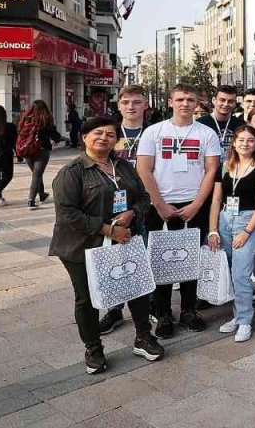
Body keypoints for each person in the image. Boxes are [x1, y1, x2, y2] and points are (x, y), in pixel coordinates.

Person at [49, 116, 164, 374]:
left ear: (116, 140)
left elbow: (143, 197)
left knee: (136, 287)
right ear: (85, 137)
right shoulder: (72, 172)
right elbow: (67, 214)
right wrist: (109, 229)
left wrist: (132, 213)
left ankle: (143, 337)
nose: (104, 138)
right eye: (98, 133)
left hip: (123, 241)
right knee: (87, 298)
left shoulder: (123, 166)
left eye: (110, 134)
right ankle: (93, 348)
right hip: (82, 246)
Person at [136, 84, 221, 338]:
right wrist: (159, 204)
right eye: (180, 99)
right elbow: (144, 169)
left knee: (191, 259)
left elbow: (211, 170)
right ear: (170, 102)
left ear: (197, 104)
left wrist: (197, 204)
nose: (185, 104)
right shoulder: (154, 132)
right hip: (160, 205)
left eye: (190, 100)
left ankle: (188, 310)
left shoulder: (207, 134)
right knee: (161, 260)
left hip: (193, 204)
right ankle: (163, 313)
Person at [207, 126, 255, 342]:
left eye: (250, 140)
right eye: (241, 140)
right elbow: (216, 200)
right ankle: (237, 315)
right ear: (234, 142)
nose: (245, 144)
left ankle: (244, 320)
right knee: (230, 271)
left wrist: (246, 231)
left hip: (248, 221)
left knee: (241, 274)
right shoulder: (225, 166)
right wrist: (213, 229)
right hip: (225, 219)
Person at [99, 85, 151, 335]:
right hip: (113, 205)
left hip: (143, 202)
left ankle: (147, 305)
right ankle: (115, 309)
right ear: (119, 105)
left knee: (144, 256)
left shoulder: (153, 132)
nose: (131, 107)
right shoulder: (108, 133)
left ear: (145, 105)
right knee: (114, 259)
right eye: (126, 102)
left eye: (137, 102)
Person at [16, 100, 64, 210]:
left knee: (36, 173)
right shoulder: (45, 119)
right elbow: (54, 135)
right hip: (41, 150)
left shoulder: (25, 119)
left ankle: (42, 194)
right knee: (37, 174)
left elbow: (20, 133)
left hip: (27, 150)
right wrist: (58, 139)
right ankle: (31, 200)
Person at [198, 85, 246, 163]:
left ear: (235, 103)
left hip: (233, 167)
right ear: (214, 100)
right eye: (222, 100)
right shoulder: (200, 124)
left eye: (230, 101)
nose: (226, 104)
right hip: (207, 167)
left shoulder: (241, 125)